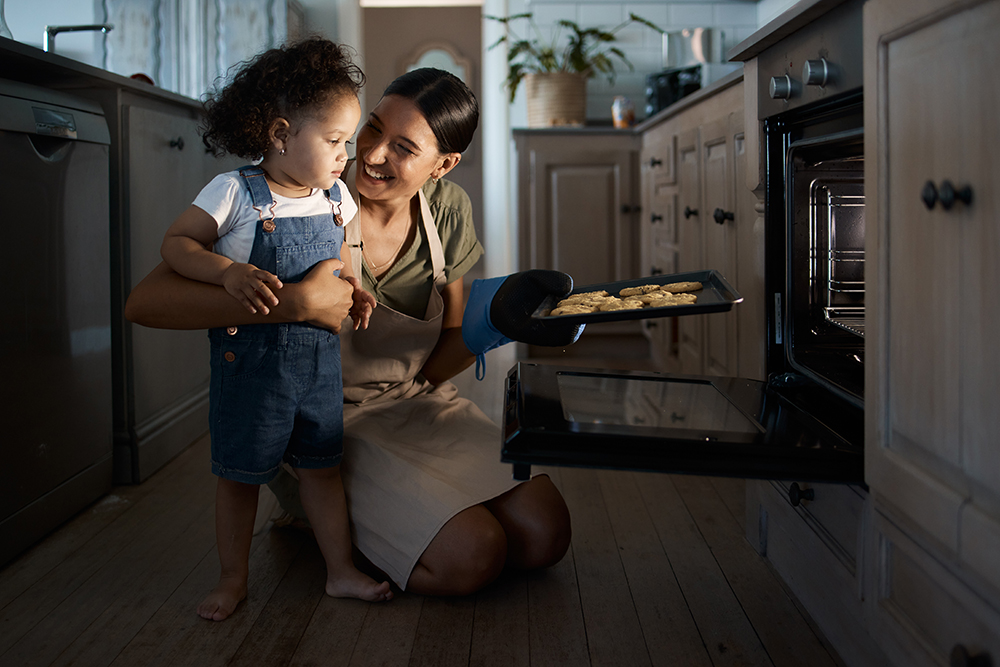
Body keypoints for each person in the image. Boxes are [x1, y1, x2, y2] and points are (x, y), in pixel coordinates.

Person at [125, 67, 579, 596]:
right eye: (372, 128)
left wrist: (505, 325)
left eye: (404, 146)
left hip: (416, 402)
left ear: (444, 165)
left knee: (546, 534)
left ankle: (392, 514)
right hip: (320, 419)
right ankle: (309, 510)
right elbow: (145, 301)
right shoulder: (308, 189)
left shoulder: (448, 210)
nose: (370, 154)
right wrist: (291, 303)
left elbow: (445, 351)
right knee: (473, 557)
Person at [160, 38, 391, 622]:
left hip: (318, 366)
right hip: (253, 369)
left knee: (322, 468)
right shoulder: (235, 193)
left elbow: (340, 262)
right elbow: (177, 245)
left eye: (348, 140)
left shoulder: (337, 197)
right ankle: (232, 579)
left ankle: (339, 571)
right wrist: (227, 271)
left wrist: (355, 290)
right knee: (240, 477)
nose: (347, 156)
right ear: (282, 134)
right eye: (335, 141)